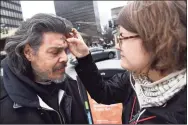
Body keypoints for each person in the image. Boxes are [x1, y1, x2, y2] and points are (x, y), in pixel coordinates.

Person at [67, 1, 187, 124]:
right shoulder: (136, 80)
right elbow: (103, 93)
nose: (117, 46)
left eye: (122, 38)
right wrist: (84, 57)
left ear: (155, 38)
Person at [0, 13, 88, 124]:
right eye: (55, 52)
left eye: (66, 50)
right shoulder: (3, 102)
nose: (65, 58)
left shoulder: (71, 85)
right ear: (28, 52)